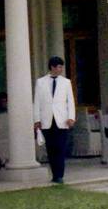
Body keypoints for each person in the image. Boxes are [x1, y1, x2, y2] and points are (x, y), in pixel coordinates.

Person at [33, 55, 76, 184]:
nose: (61, 69)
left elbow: (70, 101)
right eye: (59, 67)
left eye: (62, 67)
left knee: (60, 148)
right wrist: (37, 120)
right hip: (47, 120)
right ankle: (54, 174)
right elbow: (37, 102)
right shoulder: (40, 82)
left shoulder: (66, 82)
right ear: (52, 67)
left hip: (62, 120)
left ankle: (60, 175)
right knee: (51, 149)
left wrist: (71, 117)